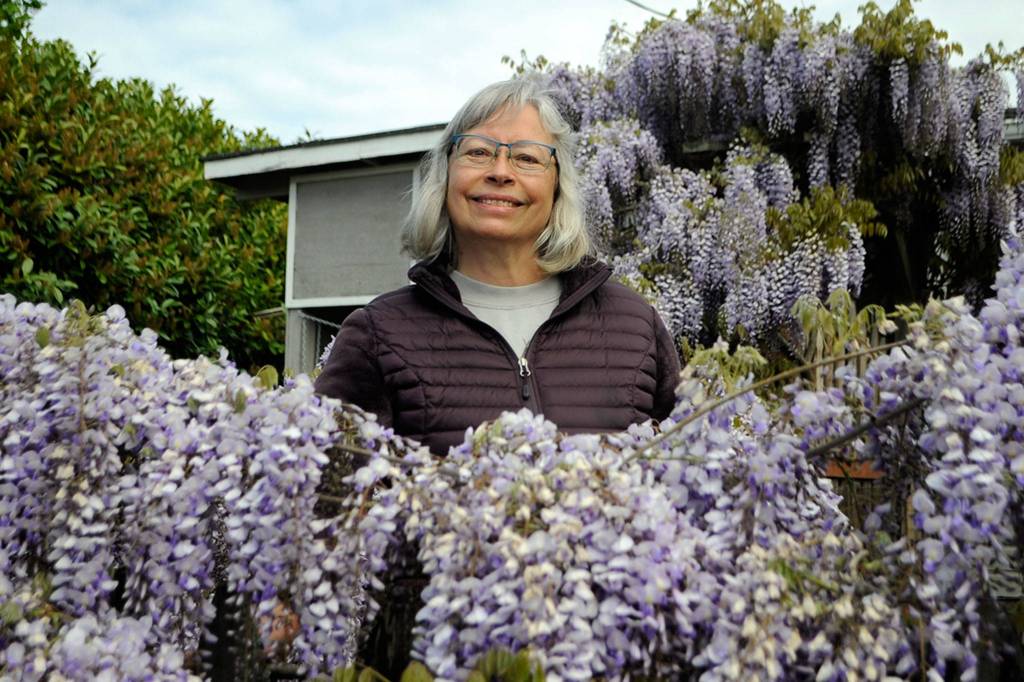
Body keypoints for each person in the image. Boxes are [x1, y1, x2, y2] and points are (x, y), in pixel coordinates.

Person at [315, 76, 681, 455]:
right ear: (444, 176)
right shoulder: (378, 334)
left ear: (557, 187)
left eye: (527, 157)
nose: (501, 172)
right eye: (478, 152)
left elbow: (686, 484)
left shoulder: (635, 326)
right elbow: (332, 495)